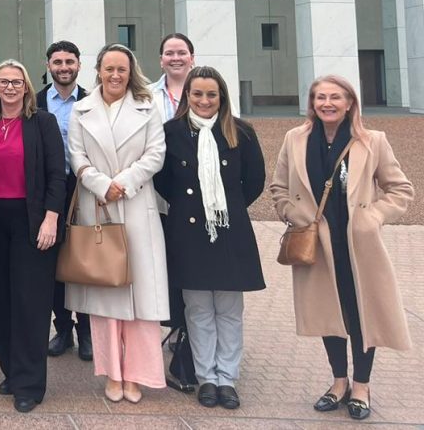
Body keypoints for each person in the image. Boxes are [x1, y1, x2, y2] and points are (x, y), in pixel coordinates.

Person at [270, 74, 415, 421]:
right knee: (329, 315)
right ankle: (338, 382)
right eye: (320, 97)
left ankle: (361, 385)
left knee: (362, 312)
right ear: (312, 103)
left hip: (358, 246)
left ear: (350, 102)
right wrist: (294, 212)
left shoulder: (372, 141)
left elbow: (401, 189)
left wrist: (373, 217)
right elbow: (278, 188)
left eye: (335, 97)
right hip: (317, 243)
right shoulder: (295, 139)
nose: (327, 104)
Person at [154, 66, 265, 410]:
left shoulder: (241, 133)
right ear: (187, 95)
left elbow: (255, 180)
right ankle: (206, 377)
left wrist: (222, 209)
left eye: (211, 94)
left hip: (229, 231)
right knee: (199, 308)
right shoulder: (171, 132)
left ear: (222, 97)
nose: (204, 100)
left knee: (229, 309)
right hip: (187, 233)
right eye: (197, 93)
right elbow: (162, 180)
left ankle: (227, 377)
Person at [66, 43, 168, 404]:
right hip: (98, 207)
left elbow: (156, 153)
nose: (114, 75)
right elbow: (75, 155)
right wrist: (99, 184)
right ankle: (112, 373)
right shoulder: (82, 109)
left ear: (131, 72)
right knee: (105, 291)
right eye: (108, 69)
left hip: (136, 204)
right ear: (98, 71)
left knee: (142, 299)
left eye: (121, 69)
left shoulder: (147, 107)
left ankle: (138, 373)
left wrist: (122, 183)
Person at [0, 60, 65, 413]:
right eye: (4, 82)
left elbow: (57, 174)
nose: (10, 87)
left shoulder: (42, 123)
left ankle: (30, 383)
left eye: (17, 82)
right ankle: (12, 371)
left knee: (30, 302)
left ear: (27, 87)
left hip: (32, 220)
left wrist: (51, 219)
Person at [36, 40, 92, 362]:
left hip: (84, 187)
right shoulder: (39, 101)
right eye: (57, 62)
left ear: (78, 65)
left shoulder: (91, 101)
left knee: (82, 261)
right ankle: (63, 330)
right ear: (49, 66)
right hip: (49, 189)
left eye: (69, 61)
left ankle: (86, 332)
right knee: (55, 261)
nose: (63, 67)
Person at [150, 33, 195, 123]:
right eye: (169, 53)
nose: (175, 58)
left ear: (192, 58)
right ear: (161, 60)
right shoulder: (146, 95)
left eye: (182, 53)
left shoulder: (212, 91)